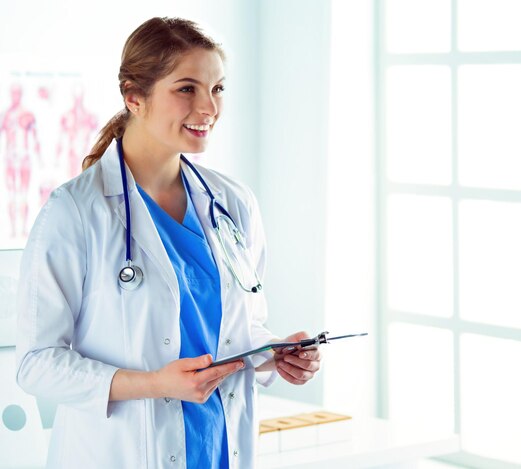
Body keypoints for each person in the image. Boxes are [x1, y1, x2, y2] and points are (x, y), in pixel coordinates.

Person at [15, 17, 321, 469]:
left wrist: (273, 353)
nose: (209, 108)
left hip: (218, 445)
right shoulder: (75, 212)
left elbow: (240, 328)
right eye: (187, 89)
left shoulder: (233, 203)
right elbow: (37, 364)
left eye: (217, 89)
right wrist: (154, 384)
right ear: (133, 96)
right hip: (122, 453)